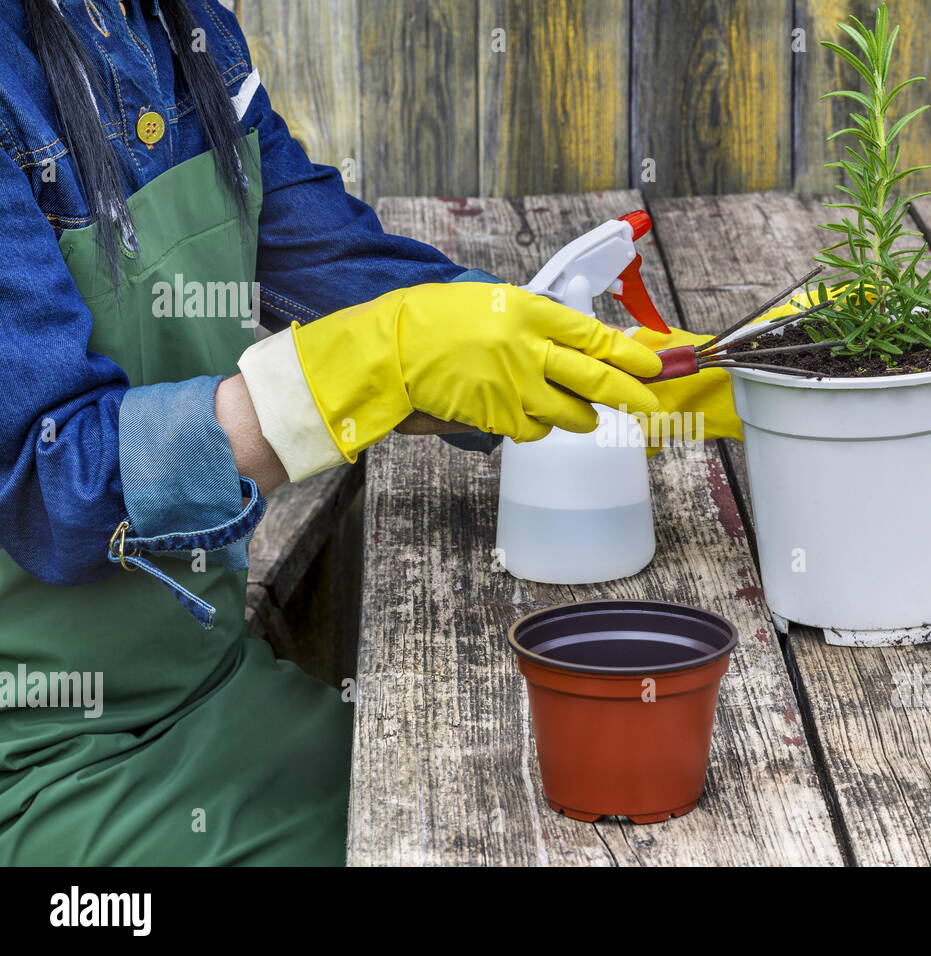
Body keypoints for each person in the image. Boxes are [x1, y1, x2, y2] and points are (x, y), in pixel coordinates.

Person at [0, 0, 735, 865]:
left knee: (505, 809)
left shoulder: (176, 30)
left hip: (211, 686)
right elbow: (56, 488)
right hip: (45, 774)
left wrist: (598, 360)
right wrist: (365, 372)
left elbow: (342, 270)